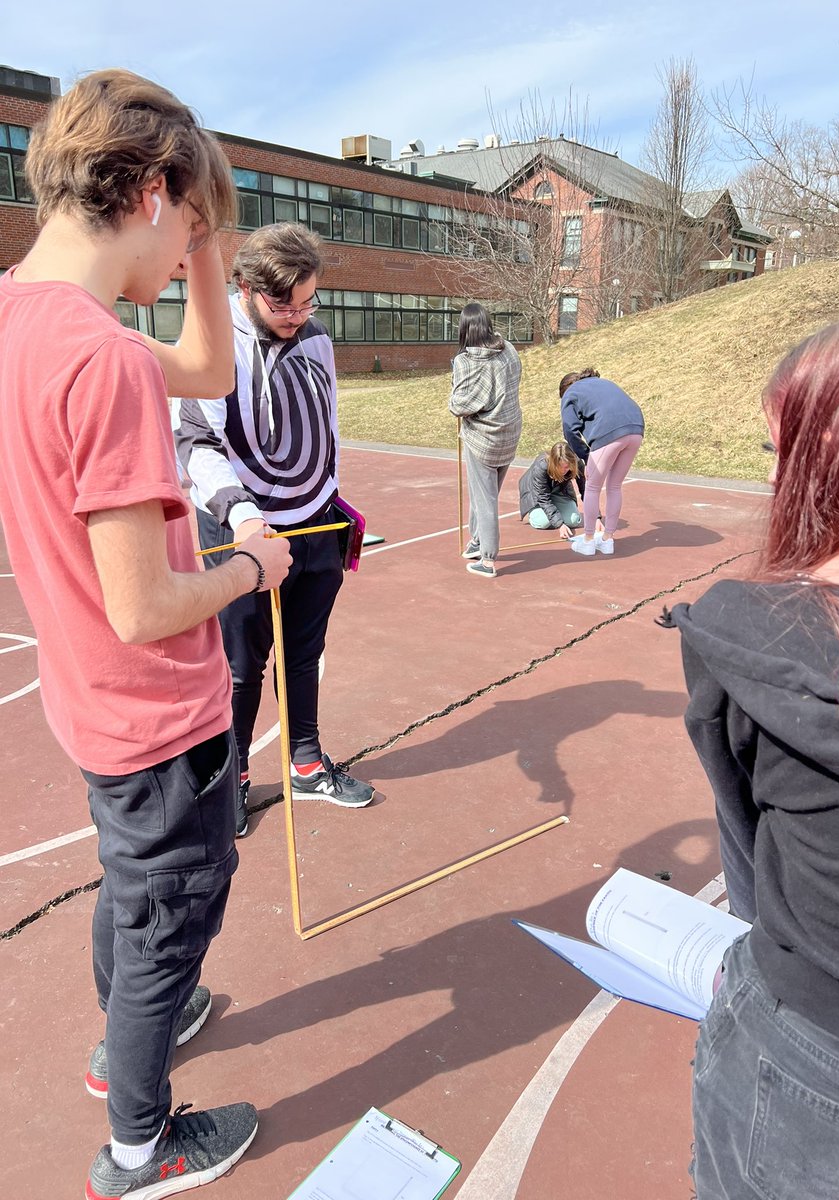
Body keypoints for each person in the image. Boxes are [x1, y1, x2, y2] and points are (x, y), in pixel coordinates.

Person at [0, 70, 292, 1198]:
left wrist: (207, 239)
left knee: (133, 891)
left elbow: (210, 369)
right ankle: (139, 1144)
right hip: (156, 712)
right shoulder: (108, 361)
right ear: (154, 191)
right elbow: (145, 607)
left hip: (89, 708)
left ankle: (127, 1028)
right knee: (172, 909)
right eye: (190, 233)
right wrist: (248, 563)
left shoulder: (26, 315)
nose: (188, 266)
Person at [669, 303, 839, 1198]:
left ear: (836, 461)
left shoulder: (752, 630)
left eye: (782, 452)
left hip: (825, 1055)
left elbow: (746, 840)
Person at [174, 222, 374, 835]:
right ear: (244, 288)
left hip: (314, 522)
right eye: (283, 303)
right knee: (240, 663)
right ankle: (231, 779)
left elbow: (324, 423)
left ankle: (307, 762)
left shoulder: (317, 338)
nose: (297, 314)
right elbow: (194, 440)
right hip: (244, 531)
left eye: (308, 299)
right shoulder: (211, 342)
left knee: (305, 654)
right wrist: (243, 513)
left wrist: (324, 497)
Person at [449, 302, 522, 578]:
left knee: (485, 499)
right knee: (485, 495)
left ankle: (488, 560)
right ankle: (477, 542)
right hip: (510, 432)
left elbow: (459, 405)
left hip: (483, 439)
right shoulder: (509, 348)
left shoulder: (465, 362)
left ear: (464, 329)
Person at [559, 369, 644, 557]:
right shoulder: (603, 383)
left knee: (592, 486)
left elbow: (570, 429)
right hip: (636, 429)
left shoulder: (570, 394)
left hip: (609, 432)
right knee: (614, 486)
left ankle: (588, 541)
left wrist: (586, 456)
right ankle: (607, 539)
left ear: (564, 391)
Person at [518, 442, 584, 538]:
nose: (563, 471)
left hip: (559, 489)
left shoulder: (577, 463)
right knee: (543, 522)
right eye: (560, 466)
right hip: (536, 492)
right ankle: (534, 512)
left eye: (567, 467)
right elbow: (543, 498)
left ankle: (554, 511)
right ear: (553, 463)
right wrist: (560, 524)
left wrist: (596, 517)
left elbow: (586, 490)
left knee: (574, 520)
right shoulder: (541, 466)